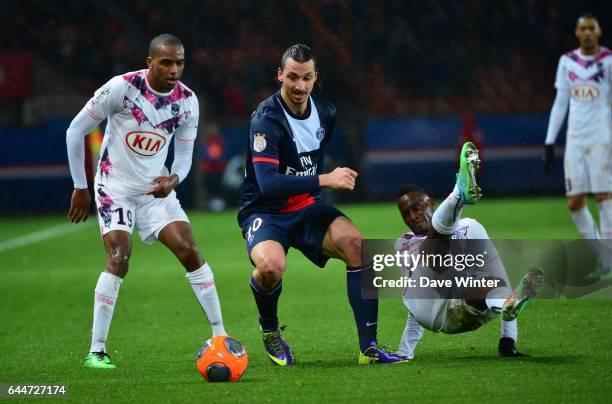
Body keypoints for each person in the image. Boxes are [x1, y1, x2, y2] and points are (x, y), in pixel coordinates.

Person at [238, 44, 408, 365]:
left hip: (307, 208)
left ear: (316, 78)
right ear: (280, 76)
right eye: (292, 78)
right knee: (270, 268)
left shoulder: (326, 113)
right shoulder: (265, 120)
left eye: (306, 78)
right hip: (265, 212)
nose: (299, 86)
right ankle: (270, 330)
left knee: (357, 245)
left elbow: (308, 157)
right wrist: (323, 179)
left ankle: (369, 348)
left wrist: (315, 188)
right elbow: (269, 185)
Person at [66, 34, 227, 369]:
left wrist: (175, 179)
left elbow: (183, 157)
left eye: (180, 62)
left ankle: (220, 336)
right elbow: (75, 130)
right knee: (119, 256)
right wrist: (80, 187)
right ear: (150, 61)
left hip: (156, 191)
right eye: (166, 62)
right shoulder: (122, 88)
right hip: (115, 187)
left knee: (190, 251)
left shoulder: (187, 101)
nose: (174, 69)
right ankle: (97, 350)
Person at [395, 142, 543, 359]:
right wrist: (404, 351)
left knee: (492, 282)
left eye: (416, 208)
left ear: (431, 203)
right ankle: (459, 193)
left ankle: (505, 306)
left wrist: (507, 340)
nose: (412, 217)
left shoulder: (471, 228)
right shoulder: (404, 243)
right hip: (434, 312)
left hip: (467, 304)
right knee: (435, 254)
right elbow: (416, 300)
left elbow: (499, 275)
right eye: (405, 214)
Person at [543, 14, 612, 276]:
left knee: (604, 197)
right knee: (574, 203)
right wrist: (550, 142)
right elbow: (561, 102)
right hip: (575, 139)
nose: (586, 32)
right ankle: (602, 256)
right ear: (576, 32)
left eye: (591, 28)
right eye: (582, 28)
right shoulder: (567, 61)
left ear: (599, 31)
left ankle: (607, 261)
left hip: (602, 137)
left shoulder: (607, 61)